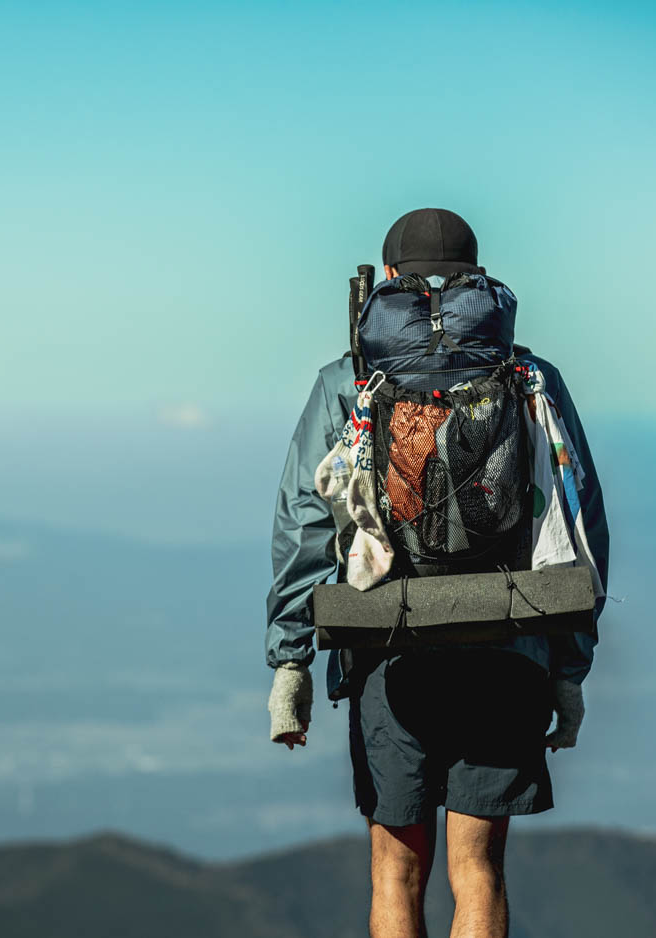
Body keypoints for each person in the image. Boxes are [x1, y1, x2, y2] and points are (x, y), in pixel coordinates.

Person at [265, 208, 609, 938]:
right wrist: (570, 667)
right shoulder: (531, 381)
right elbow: (577, 522)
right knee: (477, 872)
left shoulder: (348, 381)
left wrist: (290, 662)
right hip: (509, 645)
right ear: (478, 283)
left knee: (396, 870)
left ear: (390, 281)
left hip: (390, 652)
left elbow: (306, 521)